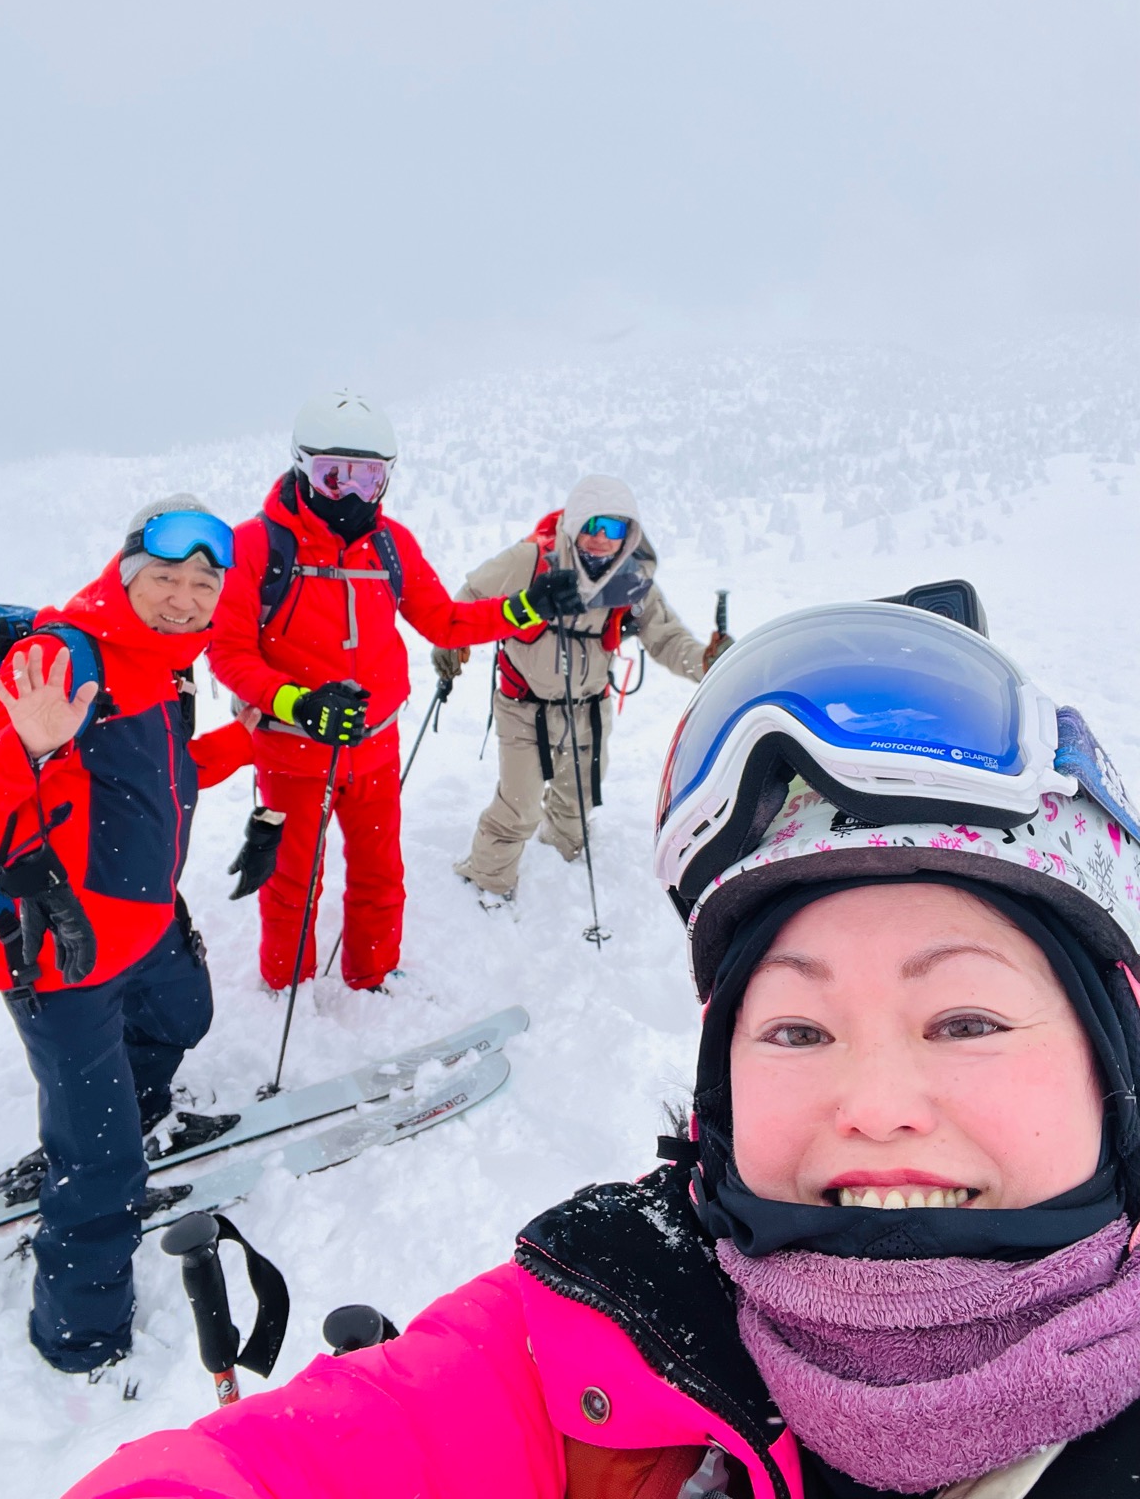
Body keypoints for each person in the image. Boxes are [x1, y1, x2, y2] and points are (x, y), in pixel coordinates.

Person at [67, 595, 1140, 1497]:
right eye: (797, 1030)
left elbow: (656, 629)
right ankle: (470, 893)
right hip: (496, 713)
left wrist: (690, 656)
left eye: (966, 1022)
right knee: (508, 810)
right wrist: (484, 627)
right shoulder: (616, 1315)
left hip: (575, 712)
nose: (875, 1104)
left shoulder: (626, 572)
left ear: (1115, 1054)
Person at [0, 496, 258, 1375]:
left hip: (143, 925)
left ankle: (136, 1105)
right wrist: (25, 748)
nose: (186, 598)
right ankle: (79, 1340)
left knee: (183, 1016)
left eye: (204, 584)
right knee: (102, 1172)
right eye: (166, 577)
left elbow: (161, 777)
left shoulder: (164, 666)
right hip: (57, 954)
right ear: (127, 575)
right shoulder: (60, 658)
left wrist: (245, 740)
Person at [207, 391, 582, 992]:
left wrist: (525, 607)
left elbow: (445, 622)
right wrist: (297, 703)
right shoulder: (256, 546)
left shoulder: (390, 544)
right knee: (293, 880)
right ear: (302, 466)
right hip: (292, 751)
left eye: (370, 476)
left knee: (380, 874)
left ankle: (373, 976)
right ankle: (286, 985)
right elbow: (228, 653)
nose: (352, 493)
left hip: (374, 747)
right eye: (334, 476)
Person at [435, 474, 731, 903]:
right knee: (519, 805)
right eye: (592, 524)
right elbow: (470, 597)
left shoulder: (632, 580)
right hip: (523, 707)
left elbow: (666, 639)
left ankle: (560, 857)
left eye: (613, 527)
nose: (600, 538)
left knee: (578, 799)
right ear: (574, 523)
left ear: (629, 534)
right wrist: (452, 642)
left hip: (589, 709)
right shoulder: (531, 561)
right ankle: (487, 880)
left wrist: (706, 661)